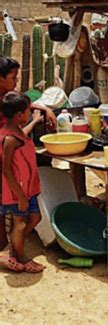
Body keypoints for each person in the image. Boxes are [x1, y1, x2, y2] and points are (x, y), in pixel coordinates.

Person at [0, 56, 56, 251]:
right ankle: (9, 250)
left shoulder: (8, 100)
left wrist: (45, 108)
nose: (16, 83)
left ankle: (11, 247)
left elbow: (22, 103)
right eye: (13, 78)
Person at [0, 92, 44, 273]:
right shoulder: (9, 139)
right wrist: (20, 196)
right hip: (18, 190)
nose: (29, 113)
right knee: (20, 223)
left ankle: (13, 249)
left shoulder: (16, 130)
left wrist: (33, 122)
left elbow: (23, 137)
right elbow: (7, 170)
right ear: (19, 115)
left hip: (28, 187)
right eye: (28, 111)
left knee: (35, 217)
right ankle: (22, 258)